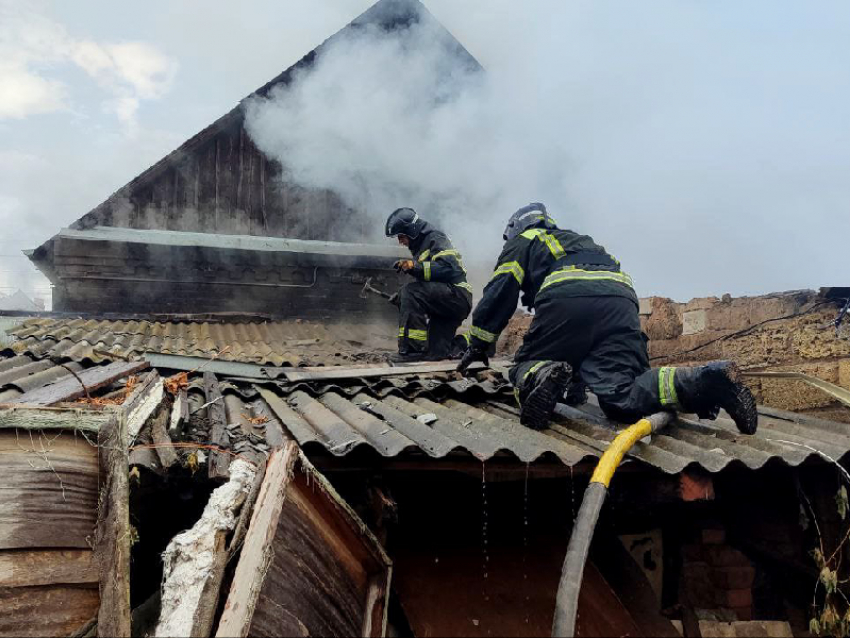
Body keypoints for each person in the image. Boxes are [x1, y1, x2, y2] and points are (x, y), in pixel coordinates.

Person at [457, 202, 758, 434]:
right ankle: (706, 381)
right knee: (622, 397)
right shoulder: (582, 241)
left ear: (515, 228)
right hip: (622, 302)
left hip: (568, 297)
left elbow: (501, 290)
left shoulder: (525, 240)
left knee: (524, 364)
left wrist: (479, 342)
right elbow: (582, 333)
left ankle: (542, 374)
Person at [385, 207, 473, 362]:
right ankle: (468, 344)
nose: (400, 241)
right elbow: (428, 289)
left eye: (401, 236)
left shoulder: (435, 237)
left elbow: (448, 269)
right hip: (446, 302)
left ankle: (411, 351)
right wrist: (402, 298)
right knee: (435, 353)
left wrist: (414, 267)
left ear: (411, 230)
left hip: (457, 295)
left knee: (410, 292)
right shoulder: (420, 247)